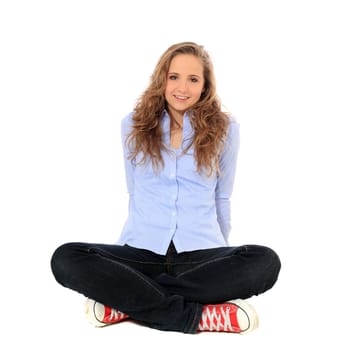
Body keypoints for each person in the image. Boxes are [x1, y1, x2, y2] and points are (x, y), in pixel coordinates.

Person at [51, 42, 281, 334]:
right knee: (66, 257)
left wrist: (220, 260)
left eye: (193, 79)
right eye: (174, 77)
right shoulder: (132, 125)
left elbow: (223, 196)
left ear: (205, 86)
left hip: (200, 255)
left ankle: (125, 301)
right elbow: (134, 193)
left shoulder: (226, 128)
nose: (181, 87)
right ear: (162, 79)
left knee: (265, 262)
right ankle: (198, 317)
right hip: (142, 253)